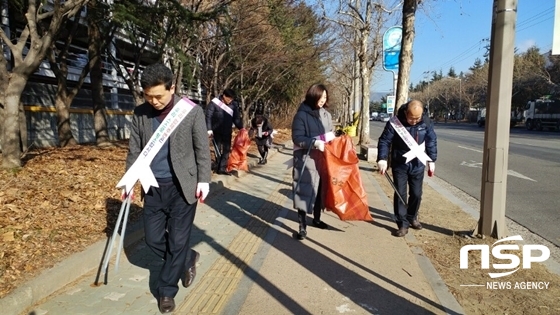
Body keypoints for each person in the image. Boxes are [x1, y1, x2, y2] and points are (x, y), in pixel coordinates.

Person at [123, 63, 212, 313]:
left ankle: (166, 291)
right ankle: (187, 258)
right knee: (152, 239)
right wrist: (129, 180)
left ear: (172, 87)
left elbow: (201, 150)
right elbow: (135, 151)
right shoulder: (140, 113)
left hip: (183, 187)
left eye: (159, 96)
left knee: (177, 240)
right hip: (153, 186)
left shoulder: (191, 111)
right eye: (148, 96)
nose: (154, 101)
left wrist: (204, 180)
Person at [376, 100, 437, 237]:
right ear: (405, 113)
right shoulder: (395, 122)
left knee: (416, 194)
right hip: (400, 164)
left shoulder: (426, 123)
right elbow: (385, 141)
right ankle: (402, 224)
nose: (414, 121)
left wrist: (432, 160)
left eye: (417, 118)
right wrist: (382, 158)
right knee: (400, 194)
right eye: (411, 118)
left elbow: (431, 140)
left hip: (418, 164)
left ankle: (412, 216)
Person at [291, 83, 335, 240]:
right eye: (320, 97)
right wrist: (314, 142)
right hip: (306, 159)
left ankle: (316, 219)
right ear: (313, 96)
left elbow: (331, 134)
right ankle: (302, 226)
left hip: (323, 159)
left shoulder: (326, 115)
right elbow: (297, 138)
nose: (323, 100)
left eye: (325, 97)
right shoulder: (301, 115)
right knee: (304, 191)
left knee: (319, 192)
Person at [205, 89, 244, 175]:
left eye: (232, 99)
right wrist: (209, 129)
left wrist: (241, 128)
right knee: (217, 150)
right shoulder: (214, 103)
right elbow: (208, 117)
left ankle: (222, 168)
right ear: (224, 96)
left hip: (227, 130)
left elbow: (236, 119)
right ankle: (218, 166)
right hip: (216, 131)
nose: (230, 100)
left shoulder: (233, 105)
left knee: (226, 150)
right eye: (229, 98)